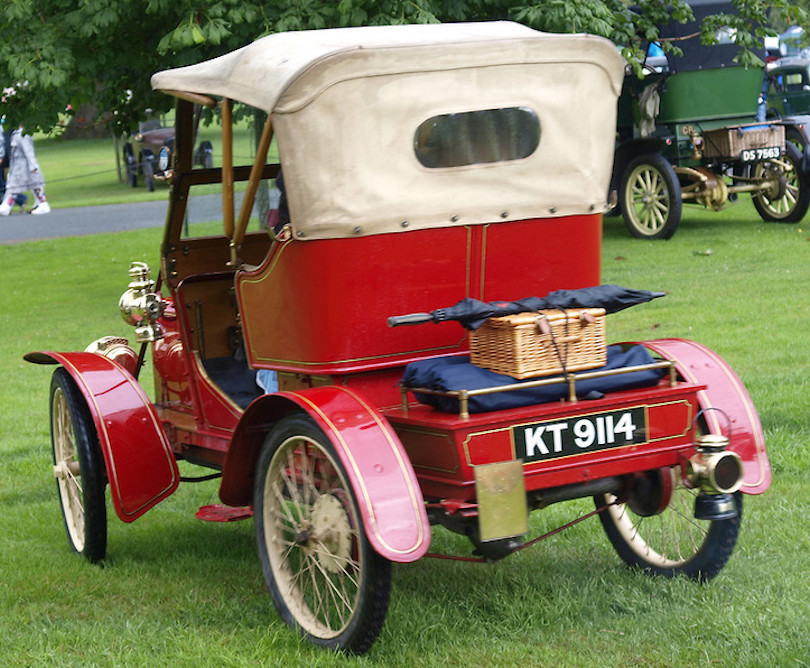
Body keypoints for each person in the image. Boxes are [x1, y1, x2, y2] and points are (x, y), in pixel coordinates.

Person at [0, 124, 49, 216]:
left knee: (22, 185)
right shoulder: (15, 134)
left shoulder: (23, 135)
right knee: (16, 186)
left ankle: (42, 204)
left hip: (23, 165)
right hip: (18, 165)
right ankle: (7, 205)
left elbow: (29, 151)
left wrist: (33, 166)